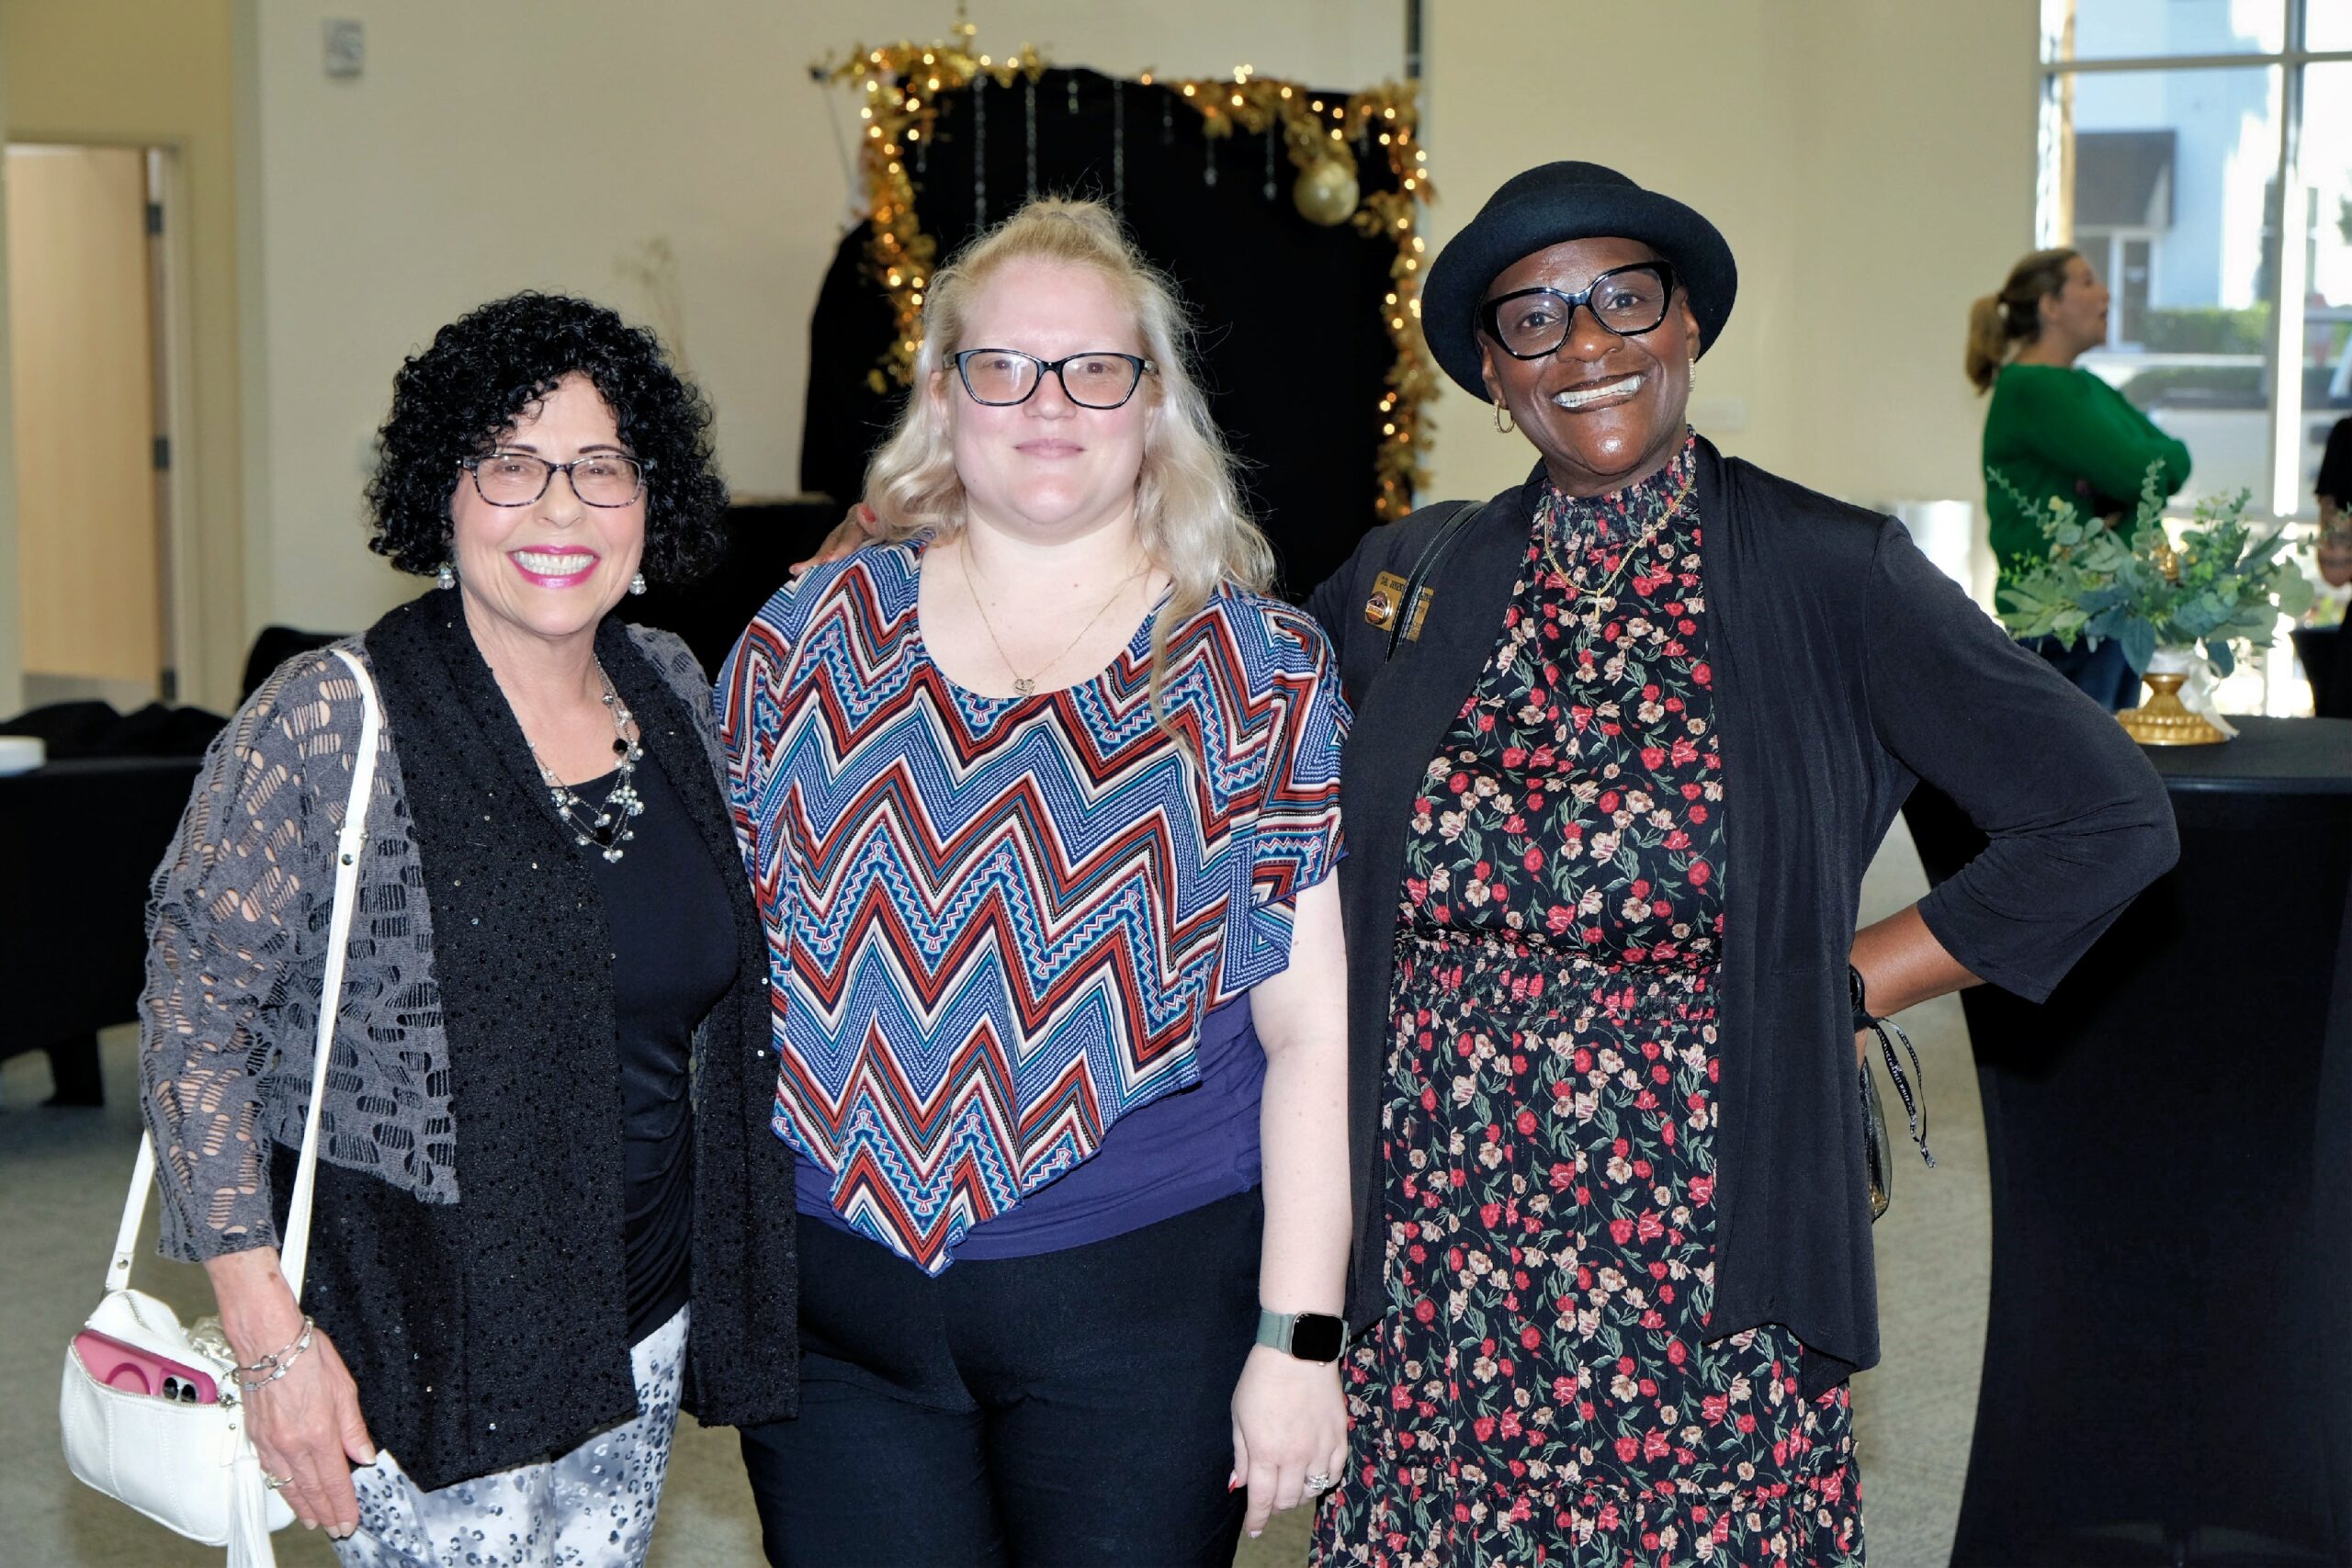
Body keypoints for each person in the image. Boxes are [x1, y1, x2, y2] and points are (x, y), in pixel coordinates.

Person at [1300, 163, 2178, 1564]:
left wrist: (1846, 980)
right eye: (1534, 317)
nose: (1586, 344)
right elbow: (1241, 736)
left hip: (1704, 1234)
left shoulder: (1834, 571)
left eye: (1624, 298)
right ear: (1494, 371)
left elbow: (2103, 816)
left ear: (1688, 323)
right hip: (1436, 1230)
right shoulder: (1414, 573)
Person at [719, 197, 1352, 1566]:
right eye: (1001, 366)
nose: (1048, 402)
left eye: (1093, 368)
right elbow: (719, 971)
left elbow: (1309, 1032)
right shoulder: (804, 639)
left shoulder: (1259, 670)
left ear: (1154, 403)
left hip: (1146, 1308)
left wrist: (1299, 1336)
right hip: (835, 1321)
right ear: (943, 399)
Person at [137, 292, 798, 1565]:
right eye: (511, 464)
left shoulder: (668, 685)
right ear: (441, 496)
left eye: (600, 466)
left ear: (649, 499)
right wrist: (270, 1343)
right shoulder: (332, 718)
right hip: (421, 1331)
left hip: (640, 1313)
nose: (560, 509)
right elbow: (190, 1028)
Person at [1968, 247, 2192, 709]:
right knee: (2090, 754)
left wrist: (2134, 477)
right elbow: (2142, 473)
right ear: (2050, 307)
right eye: (2087, 282)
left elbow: (2175, 459)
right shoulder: (2035, 389)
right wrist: (2132, 482)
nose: (2105, 293)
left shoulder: (2083, 386)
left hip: (2106, 617)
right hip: (2069, 627)